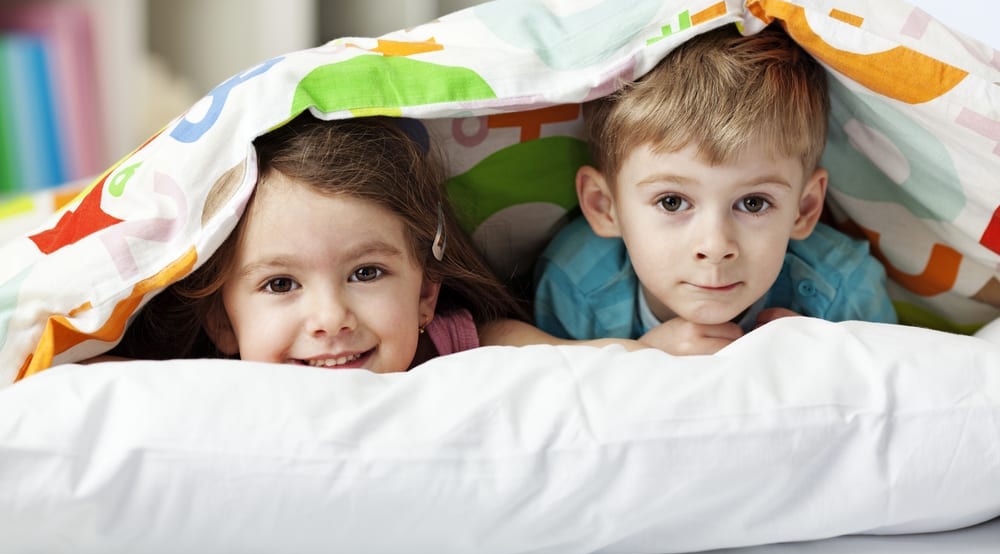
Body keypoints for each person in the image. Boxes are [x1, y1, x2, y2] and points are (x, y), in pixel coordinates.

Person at [110, 114, 658, 371]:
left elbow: (583, 366)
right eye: (281, 283)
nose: (330, 319)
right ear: (224, 324)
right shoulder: (205, 389)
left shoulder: (471, 347)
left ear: (426, 293)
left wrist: (653, 354)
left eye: (366, 272)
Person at [533, 23, 897, 356]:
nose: (715, 246)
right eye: (672, 202)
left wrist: (827, 365)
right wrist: (639, 358)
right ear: (604, 206)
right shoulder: (575, 282)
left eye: (754, 203)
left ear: (804, 208)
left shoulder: (844, 291)